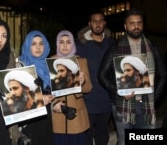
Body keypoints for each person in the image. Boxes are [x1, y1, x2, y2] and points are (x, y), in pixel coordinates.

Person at [98, 8, 167, 145]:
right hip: (122, 107)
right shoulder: (114, 48)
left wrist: (155, 98)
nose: (136, 26)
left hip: (146, 106)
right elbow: (102, 74)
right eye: (132, 23)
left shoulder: (152, 48)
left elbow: (163, 74)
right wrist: (118, 91)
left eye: (139, 23)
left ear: (142, 25)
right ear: (125, 26)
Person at [75, 10, 117, 145]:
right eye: (94, 21)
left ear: (104, 23)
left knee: (102, 133)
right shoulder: (79, 45)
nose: (97, 24)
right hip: (87, 98)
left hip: (107, 97)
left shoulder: (113, 44)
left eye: (100, 21)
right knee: (86, 134)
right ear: (89, 24)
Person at [51, 30, 93, 145]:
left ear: (73, 44)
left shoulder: (81, 61)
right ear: (57, 44)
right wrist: (54, 102)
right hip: (57, 115)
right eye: (61, 42)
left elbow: (89, 88)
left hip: (76, 116)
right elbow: (46, 88)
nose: (65, 45)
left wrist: (83, 82)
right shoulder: (50, 62)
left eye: (68, 42)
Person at [17, 30, 54, 145]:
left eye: (41, 43)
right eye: (33, 44)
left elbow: (52, 93)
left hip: (46, 117)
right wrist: (39, 98)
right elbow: (16, 99)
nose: (38, 47)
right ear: (27, 46)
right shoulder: (20, 66)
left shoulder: (49, 66)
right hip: (30, 120)